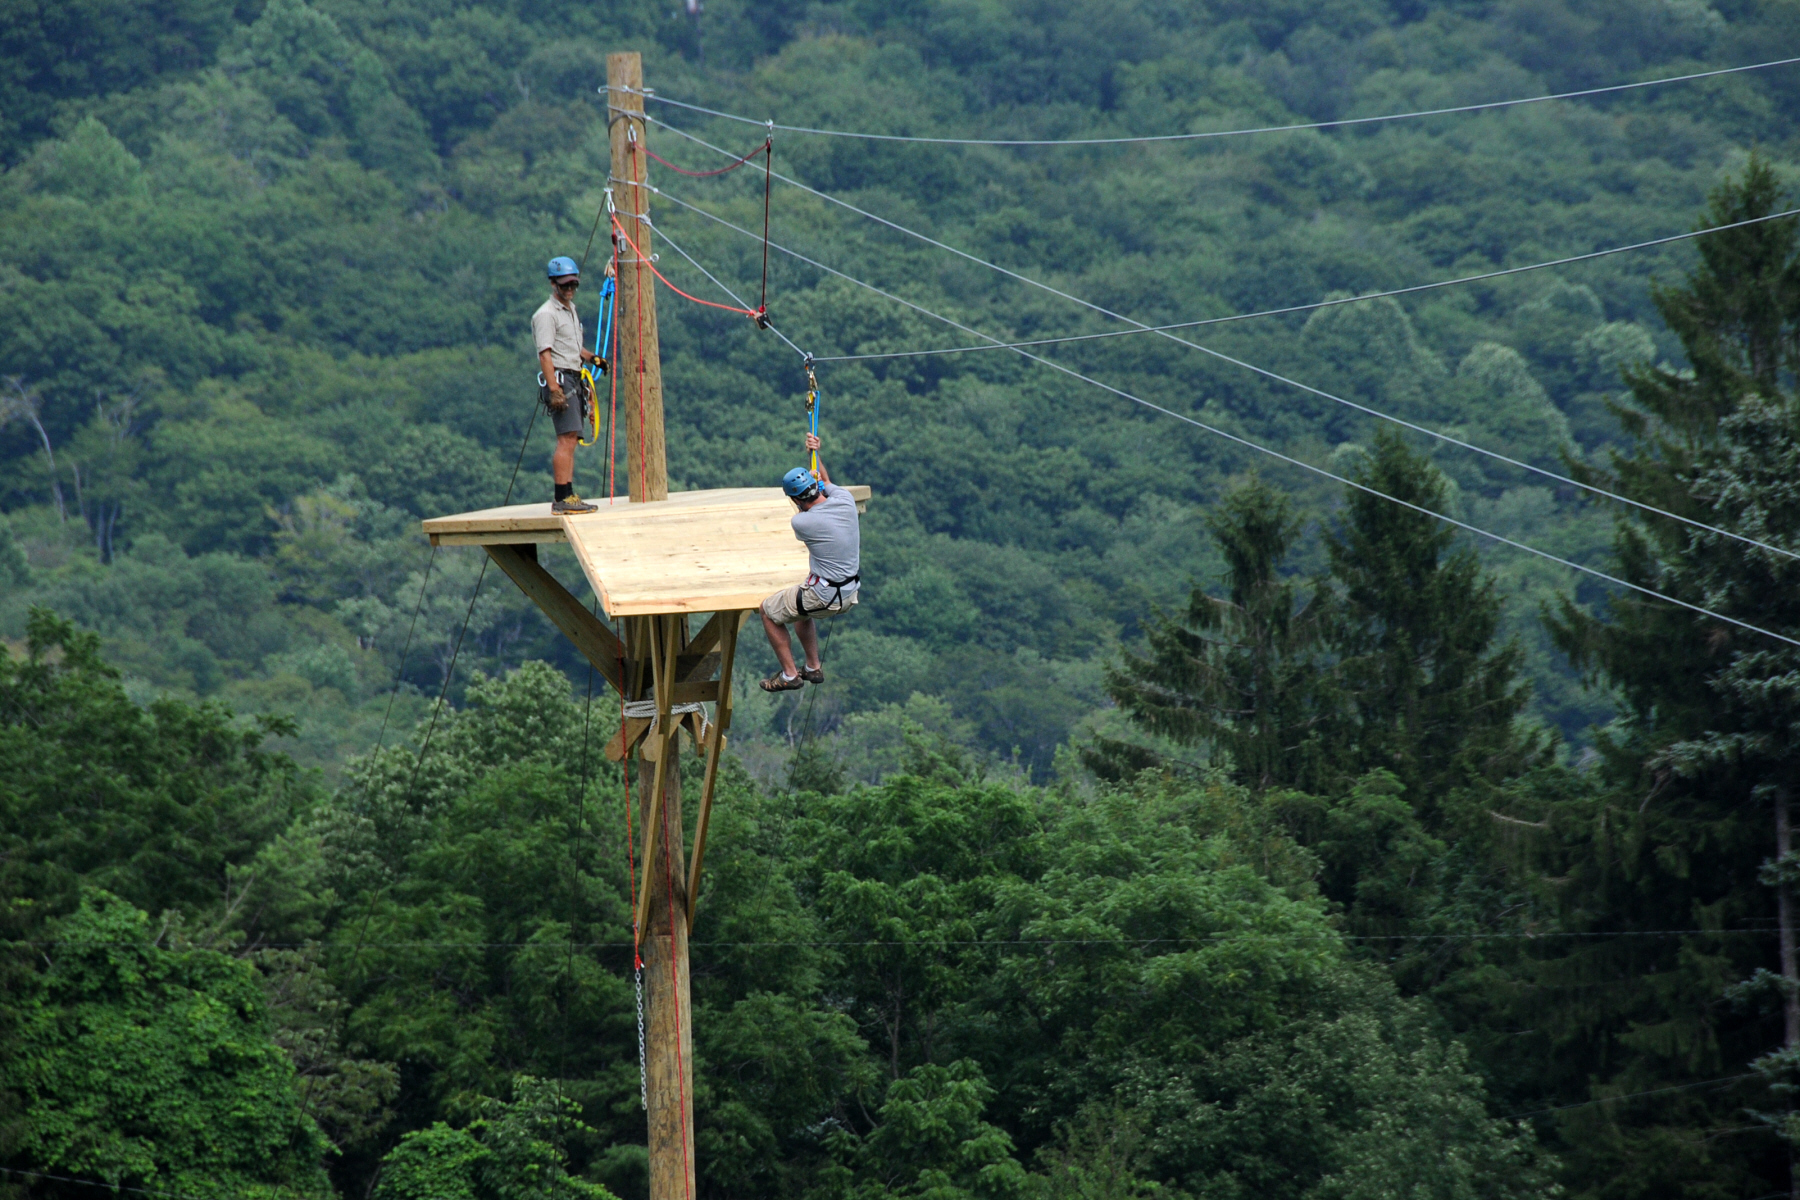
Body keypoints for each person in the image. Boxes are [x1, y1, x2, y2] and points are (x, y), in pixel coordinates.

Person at [760, 433, 860, 692]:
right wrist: (814, 454)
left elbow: (806, 510)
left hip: (824, 594)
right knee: (799, 608)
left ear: (795, 499)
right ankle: (813, 668)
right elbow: (825, 481)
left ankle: (790, 674)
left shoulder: (802, 522)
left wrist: (802, 496)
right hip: (849, 592)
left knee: (768, 611)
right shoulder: (845, 500)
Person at [532, 254, 613, 515]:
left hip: (574, 375)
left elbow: (572, 347)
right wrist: (555, 391)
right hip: (561, 379)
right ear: (553, 284)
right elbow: (545, 354)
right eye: (564, 285)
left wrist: (592, 359)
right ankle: (561, 498)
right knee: (566, 439)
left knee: (572, 439)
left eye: (573, 285)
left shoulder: (570, 310)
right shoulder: (546, 315)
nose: (569, 290)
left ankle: (568, 494)